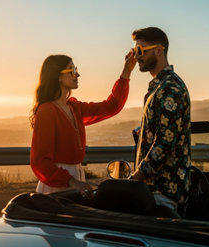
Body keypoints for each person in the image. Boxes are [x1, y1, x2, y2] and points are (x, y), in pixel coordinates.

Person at [30, 52, 136, 198]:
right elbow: (40, 161)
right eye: (72, 70)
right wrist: (72, 181)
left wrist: (126, 71)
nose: (77, 75)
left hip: (76, 180)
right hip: (56, 186)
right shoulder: (47, 111)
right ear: (58, 76)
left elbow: (111, 106)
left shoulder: (74, 107)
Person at [130, 27, 191, 217]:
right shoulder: (159, 87)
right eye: (134, 51)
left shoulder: (170, 88)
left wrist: (136, 177)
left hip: (162, 191)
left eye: (140, 50)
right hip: (154, 190)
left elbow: (164, 142)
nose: (136, 56)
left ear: (159, 50)